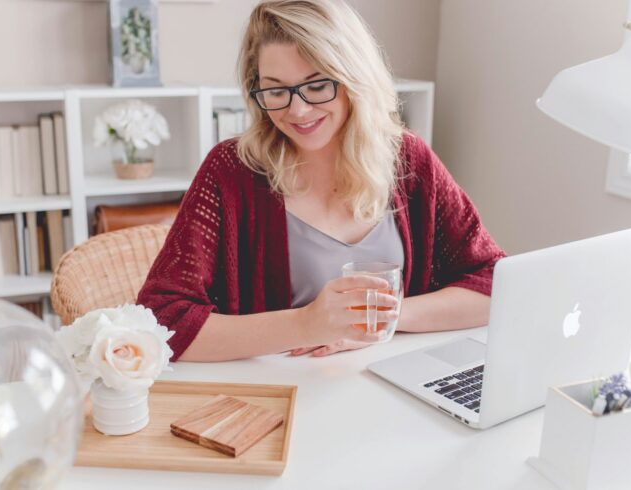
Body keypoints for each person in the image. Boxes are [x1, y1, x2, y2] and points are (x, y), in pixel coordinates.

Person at [137, 0, 505, 362]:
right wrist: (305, 325)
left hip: (386, 383)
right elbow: (160, 319)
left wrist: (379, 318)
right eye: (276, 91)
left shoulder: (409, 159)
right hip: (279, 390)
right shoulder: (231, 170)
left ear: (354, 78)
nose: (297, 110)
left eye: (316, 86)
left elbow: (495, 283)